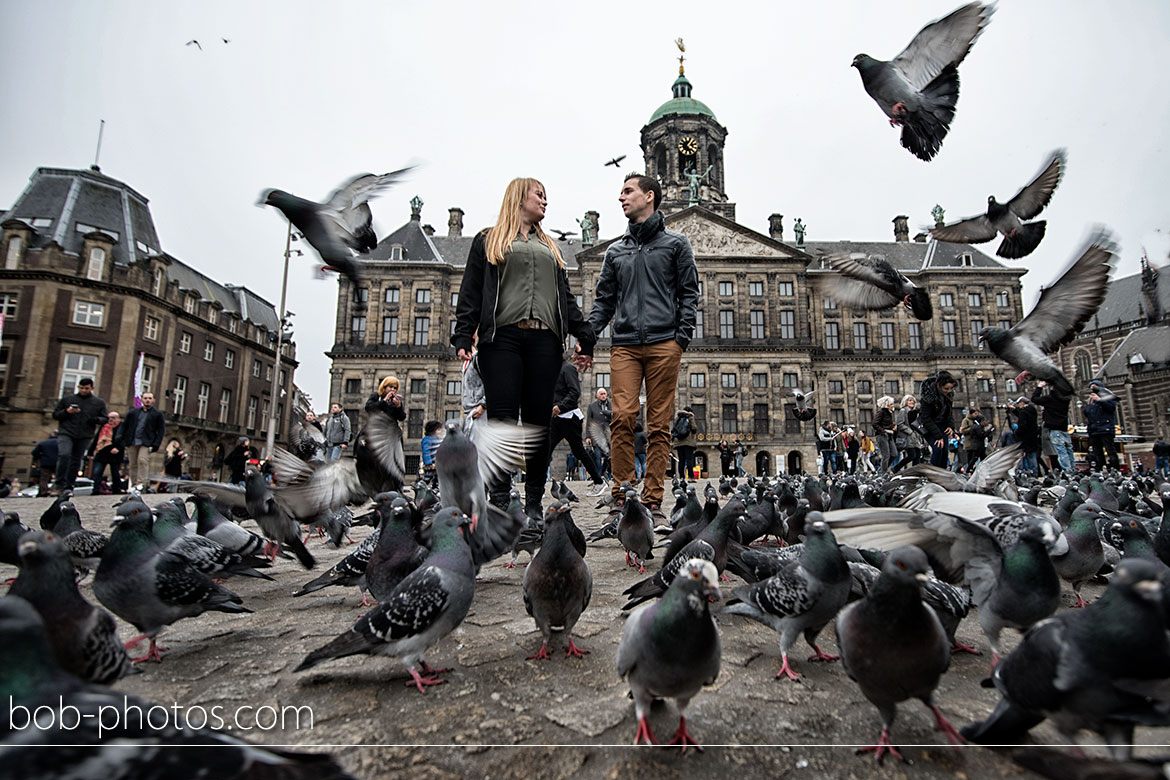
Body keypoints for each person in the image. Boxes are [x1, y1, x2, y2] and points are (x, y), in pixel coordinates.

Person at [452, 177, 596, 518]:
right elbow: (471, 290)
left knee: (537, 423)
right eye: (539, 195)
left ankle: (533, 503)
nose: (545, 201)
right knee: (502, 419)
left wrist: (584, 335)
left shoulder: (552, 248)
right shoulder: (488, 240)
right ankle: (501, 497)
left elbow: (566, 299)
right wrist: (463, 334)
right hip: (501, 338)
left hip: (544, 341)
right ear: (519, 197)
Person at [582, 172, 698, 522]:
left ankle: (651, 501)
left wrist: (681, 338)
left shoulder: (677, 245)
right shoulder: (615, 251)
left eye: (628, 191)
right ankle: (622, 495)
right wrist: (587, 338)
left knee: (659, 425)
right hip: (626, 345)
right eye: (621, 192)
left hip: (665, 343)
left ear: (649, 196)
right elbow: (603, 301)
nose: (621, 198)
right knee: (622, 419)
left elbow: (689, 294)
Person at [548, 357, 607, 496]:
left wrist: (560, 406)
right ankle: (535, 487)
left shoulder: (567, 368)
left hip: (569, 418)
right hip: (556, 418)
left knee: (579, 451)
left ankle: (599, 482)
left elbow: (575, 392)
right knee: (545, 449)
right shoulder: (551, 370)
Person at [51, 377, 108, 493]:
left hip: (85, 434)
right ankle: (59, 484)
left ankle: (69, 485)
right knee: (64, 454)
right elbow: (55, 414)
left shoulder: (98, 402)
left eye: (86, 388)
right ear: (78, 387)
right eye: (81, 388)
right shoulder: (68, 399)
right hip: (66, 432)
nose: (83, 390)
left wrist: (95, 419)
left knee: (76, 460)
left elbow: (105, 418)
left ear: (92, 388)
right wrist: (67, 412)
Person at [118, 391, 165, 491]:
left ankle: (141, 483)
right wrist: (122, 438)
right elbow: (125, 426)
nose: (147, 400)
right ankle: (134, 483)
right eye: (145, 398)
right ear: (141, 399)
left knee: (142, 460)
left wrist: (156, 444)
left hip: (146, 442)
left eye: (150, 398)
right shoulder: (133, 413)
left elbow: (160, 431)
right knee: (133, 463)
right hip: (133, 441)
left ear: (153, 400)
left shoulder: (157, 414)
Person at [919, 371, 957, 468]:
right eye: (946, 388)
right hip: (929, 426)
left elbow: (949, 413)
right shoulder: (927, 397)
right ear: (939, 385)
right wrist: (938, 436)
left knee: (944, 451)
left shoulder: (949, 395)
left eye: (951, 388)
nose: (949, 391)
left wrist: (950, 426)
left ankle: (942, 473)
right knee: (938, 449)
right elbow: (926, 418)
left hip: (942, 425)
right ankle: (933, 474)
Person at [1084, 380, 1119, 471]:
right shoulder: (1091, 401)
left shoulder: (1107, 397)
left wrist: (1099, 400)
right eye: (1091, 387)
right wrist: (1088, 405)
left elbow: (1111, 408)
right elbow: (1087, 414)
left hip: (1105, 429)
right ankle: (1100, 469)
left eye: (1095, 387)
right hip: (1094, 430)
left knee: (1110, 450)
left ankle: (1115, 470)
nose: (1093, 389)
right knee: (1097, 452)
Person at [89, 411, 123, 493]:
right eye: (109, 418)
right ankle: (96, 489)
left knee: (115, 473)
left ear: (118, 419)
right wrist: (90, 452)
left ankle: (116, 489)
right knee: (97, 472)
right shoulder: (104, 427)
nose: (110, 419)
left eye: (113, 418)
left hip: (115, 453)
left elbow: (124, 438)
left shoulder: (121, 427)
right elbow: (97, 439)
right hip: (102, 452)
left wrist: (118, 447)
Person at [892, 395, 927, 472]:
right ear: (905, 402)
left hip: (916, 437)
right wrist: (910, 431)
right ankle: (896, 468)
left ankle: (914, 473)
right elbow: (900, 424)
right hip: (908, 437)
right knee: (912, 455)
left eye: (913, 401)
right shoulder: (903, 411)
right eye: (909, 400)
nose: (912, 402)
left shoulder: (915, 412)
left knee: (917, 456)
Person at [584, 388, 612, 481]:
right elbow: (588, 422)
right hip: (596, 435)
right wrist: (588, 436)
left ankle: (604, 472)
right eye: (601, 394)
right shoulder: (592, 406)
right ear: (597, 396)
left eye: (604, 394)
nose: (603, 395)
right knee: (597, 456)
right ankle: (598, 476)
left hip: (609, 435)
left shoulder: (611, 405)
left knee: (609, 457)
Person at [1011, 397, 1041, 474]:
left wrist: (1016, 432)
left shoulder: (1023, 412)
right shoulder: (1032, 410)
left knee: (1023, 456)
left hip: (1025, 438)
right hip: (1033, 437)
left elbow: (1022, 424)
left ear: (1022, 403)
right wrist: (1014, 410)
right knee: (1032, 456)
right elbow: (1023, 414)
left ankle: (1024, 473)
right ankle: (1035, 473)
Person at [461, 351, 486, 432]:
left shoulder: (478, 358)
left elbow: (492, 383)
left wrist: (483, 405)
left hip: (480, 411)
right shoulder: (466, 362)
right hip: (471, 413)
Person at [671, 406, 697, 480]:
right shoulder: (690, 417)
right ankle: (691, 477)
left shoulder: (677, 418)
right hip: (688, 442)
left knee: (681, 460)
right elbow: (694, 428)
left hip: (678, 442)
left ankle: (682, 477)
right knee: (689, 460)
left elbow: (674, 429)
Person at [873, 396, 898, 473]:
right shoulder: (881, 412)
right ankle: (882, 473)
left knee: (894, 454)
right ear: (887, 405)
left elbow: (885, 423)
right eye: (891, 404)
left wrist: (892, 426)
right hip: (882, 435)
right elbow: (874, 423)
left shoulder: (889, 413)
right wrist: (883, 431)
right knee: (886, 455)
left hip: (889, 435)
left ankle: (882, 469)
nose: (893, 405)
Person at [31, 432, 59, 497]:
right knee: (58, 478)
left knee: (44, 479)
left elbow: (34, 453)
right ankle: (53, 490)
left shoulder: (43, 443)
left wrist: (39, 458)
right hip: (58, 463)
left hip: (45, 463)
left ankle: (44, 491)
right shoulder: (61, 443)